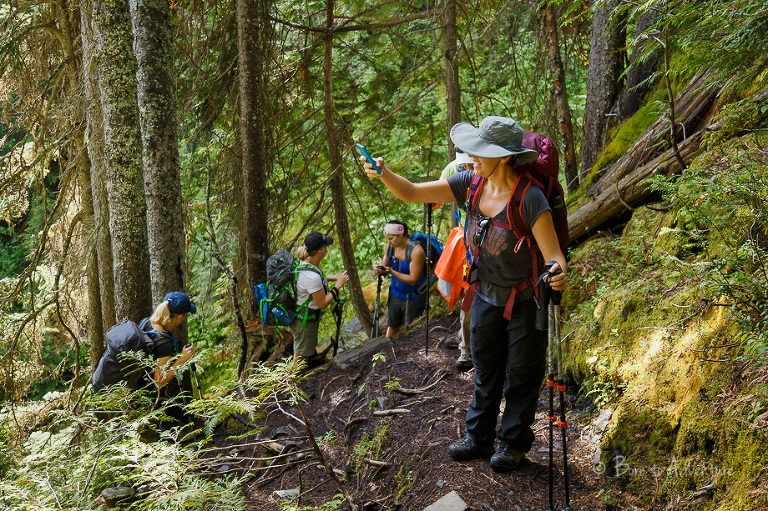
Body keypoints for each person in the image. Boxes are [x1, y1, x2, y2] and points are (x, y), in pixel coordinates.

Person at [361, 116, 567, 472]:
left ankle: (514, 444)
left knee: (521, 373)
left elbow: (555, 257)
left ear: (504, 156)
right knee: (485, 367)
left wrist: (558, 276)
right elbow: (412, 192)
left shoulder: (529, 198)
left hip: (526, 299)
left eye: (479, 152)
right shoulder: (469, 183)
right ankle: (479, 436)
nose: (469, 157)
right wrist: (383, 173)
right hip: (485, 293)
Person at [291, 231, 349, 367]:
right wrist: (338, 285)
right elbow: (322, 303)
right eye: (325, 247)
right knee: (300, 360)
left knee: (300, 355)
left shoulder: (305, 262)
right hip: (304, 322)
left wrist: (332, 277)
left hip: (301, 317)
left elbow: (311, 283)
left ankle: (294, 383)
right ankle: (293, 385)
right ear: (320, 251)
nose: (327, 249)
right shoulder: (312, 277)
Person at [140, 291, 197, 429]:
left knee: (175, 412)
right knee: (167, 423)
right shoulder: (164, 343)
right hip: (146, 399)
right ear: (180, 317)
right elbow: (159, 381)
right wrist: (182, 359)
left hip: (136, 389)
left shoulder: (146, 323)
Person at [439, 151, 474, 372]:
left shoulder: (496, 166)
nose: (470, 166)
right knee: (467, 291)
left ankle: (467, 345)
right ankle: (466, 348)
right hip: (467, 242)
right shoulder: (453, 169)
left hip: (488, 241)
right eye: (466, 163)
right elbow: (436, 193)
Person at [373, 220, 428, 339]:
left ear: (401, 234)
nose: (389, 242)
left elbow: (413, 279)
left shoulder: (416, 251)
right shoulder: (390, 247)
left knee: (411, 329)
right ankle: (386, 349)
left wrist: (392, 272)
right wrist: (380, 270)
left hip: (413, 297)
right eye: (387, 239)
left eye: (391, 238)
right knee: (392, 325)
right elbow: (385, 265)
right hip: (395, 295)